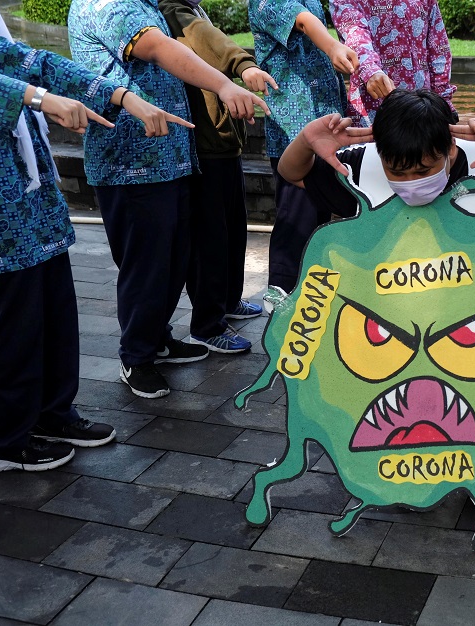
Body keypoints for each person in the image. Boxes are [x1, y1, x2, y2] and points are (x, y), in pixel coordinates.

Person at [0, 23, 193, 473]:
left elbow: (35, 62)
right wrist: (39, 98)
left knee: (53, 311)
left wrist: (123, 97)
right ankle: (3, 438)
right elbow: (16, 83)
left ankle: (51, 414)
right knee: (11, 324)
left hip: (27, 202)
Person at [68, 0, 269, 399]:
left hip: (168, 158)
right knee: (147, 266)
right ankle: (136, 357)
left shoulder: (141, 3)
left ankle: (157, 340)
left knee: (172, 260)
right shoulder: (107, 3)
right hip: (132, 162)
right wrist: (225, 83)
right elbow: (159, 47)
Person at [275, 89, 475, 256]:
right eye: (397, 172)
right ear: (381, 154)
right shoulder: (361, 168)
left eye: (424, 169)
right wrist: (305, 140)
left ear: (449, 148)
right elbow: (293, 173)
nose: (411, 183)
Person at [159, 0, 278, 354]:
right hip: (204, 145)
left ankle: (228, 301)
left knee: (232, 230)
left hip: (224, 142)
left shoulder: (192, 8)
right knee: (210, 239)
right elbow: (208, 40)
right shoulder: (173, 10)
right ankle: (207, 325)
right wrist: (243, 64)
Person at [249, 0, 359, 304]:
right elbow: (302, 21)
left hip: (326, 127)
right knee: (297, 222)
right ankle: (280, 302)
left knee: (320, 222)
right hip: (294, 135)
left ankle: (309, 305)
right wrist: (333, 47)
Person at [330, 0, 457, 127]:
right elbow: (355, 34)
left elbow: (438, 47)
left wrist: (442, 100)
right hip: (374, 109)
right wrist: (371, 71)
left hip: (424, 108)